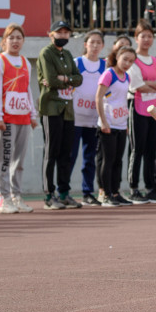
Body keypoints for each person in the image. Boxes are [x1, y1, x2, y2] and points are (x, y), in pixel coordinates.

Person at [0, 24, 38, 214]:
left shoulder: (26, 62)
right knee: (5, 159)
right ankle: (4, 197)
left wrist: (32, 114)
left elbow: (27, 90)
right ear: (4, 40)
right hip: (5, 119)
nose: (15, 41)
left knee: (19, 161)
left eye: (19, 37)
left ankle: (16, 196)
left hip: (23, 118)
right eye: (11, 37)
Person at [37, 20, 84, 210]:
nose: (63, 36)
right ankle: (49, 194)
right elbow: (49, 80)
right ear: (51, 34)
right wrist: (67, 81)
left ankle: (64, 193)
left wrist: (64, 79)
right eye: (59, 32)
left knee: (66, 152)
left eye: (66, 33)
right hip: (51, 108)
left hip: (67, 110)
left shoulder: (68, 53)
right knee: (51, 152)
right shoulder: (46, 53)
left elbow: (79, 79)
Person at [127, 19, 156, 203]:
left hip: (154, 111)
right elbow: (137, 87)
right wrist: (153, 86)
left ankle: (151, 188)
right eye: (143, 36)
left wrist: (147, 84)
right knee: (138, 149)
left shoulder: (154, 61)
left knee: (153, 149)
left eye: (150, 36)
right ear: (136, 38)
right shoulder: (132, 60)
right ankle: (134, 188)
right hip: (137, 108)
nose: (146, 39)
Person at [96, 45, 136, 206]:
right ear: (117, 57)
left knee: (118, 160)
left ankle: (115, 191)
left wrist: (125, 123)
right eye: (125, 59)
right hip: (108, 124)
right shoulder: (108, 74)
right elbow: (98, 98)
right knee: (108, 159)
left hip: (120, 124)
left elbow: (122, 100)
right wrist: (104, 122)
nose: (127, 63)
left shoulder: (127, 77)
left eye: (131, 61)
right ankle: (105, 194)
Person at [69, 29, 106, 205]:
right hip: (75, 119)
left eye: (99, 42)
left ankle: (87, 192)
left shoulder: (105, 66)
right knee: (70, 156)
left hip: (94, 120)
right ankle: (64, 191)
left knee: (90, 158)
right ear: (85, 44)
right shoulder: (77, 63)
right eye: (92, 42)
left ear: (103, 46)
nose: (95, 46)